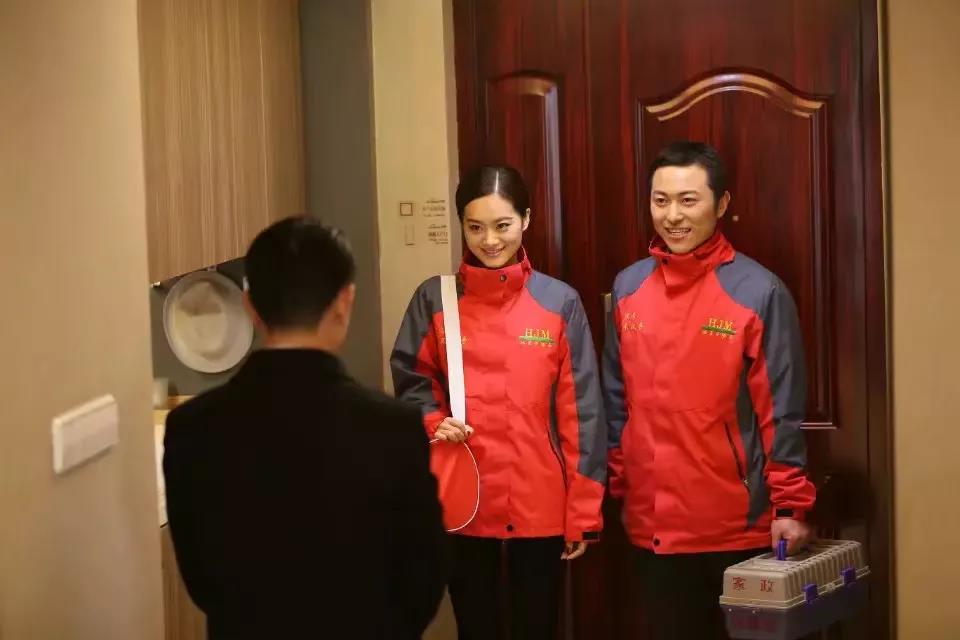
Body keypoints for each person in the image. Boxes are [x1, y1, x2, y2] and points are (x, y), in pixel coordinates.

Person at [163, 217, 446, 640]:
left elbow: (202, 580)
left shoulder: (192, 428)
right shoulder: (393, 428)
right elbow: (423, 577)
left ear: (250, 306)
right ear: (344, 302)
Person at [603, 142, 817, 639]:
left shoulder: (758, 291)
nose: (672, 216)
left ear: (721, 205)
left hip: (733, 529)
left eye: (688, 200)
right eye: (660, 201)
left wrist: (789, 506)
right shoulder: (629, 287)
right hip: (650, 526)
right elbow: (615, 397)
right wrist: (618, 480)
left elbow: (780, 409)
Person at [390, 166, 605, 640]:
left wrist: (584, 512)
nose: (489, 240)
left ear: (526, 219)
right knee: (476, 627)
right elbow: (411, 376)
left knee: (538, 627)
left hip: (540, 502)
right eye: (475, 227)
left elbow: (583, 413)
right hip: (464, 498)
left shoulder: (560, 302)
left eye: (502, 225)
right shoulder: (434, 299)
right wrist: (433, 420)